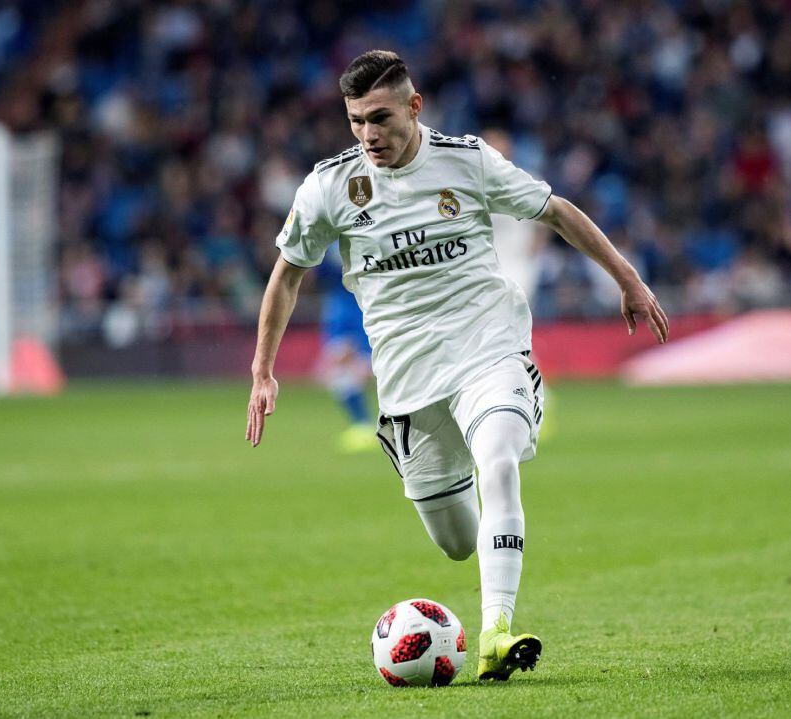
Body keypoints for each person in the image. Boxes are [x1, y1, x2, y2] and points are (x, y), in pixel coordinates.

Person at [245, 50, 668, 681]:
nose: (368, 135)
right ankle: (480, 518)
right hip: (409, 382)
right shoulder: (330, 186)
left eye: (380, 118)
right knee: (456, 542)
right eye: (356, 120)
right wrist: (263, 370)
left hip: (487, 347)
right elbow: (287, 276)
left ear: (414, 108)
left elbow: (555, 210)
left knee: (498, 459)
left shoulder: (467, 161)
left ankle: (496, 629)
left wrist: (628, 281)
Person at [317, 244, 377, 452]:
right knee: (337, 371)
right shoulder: (327, 240)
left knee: (377, 370)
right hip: (341, 310)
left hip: (368, 306)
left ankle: (391, 423)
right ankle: (362, 425)